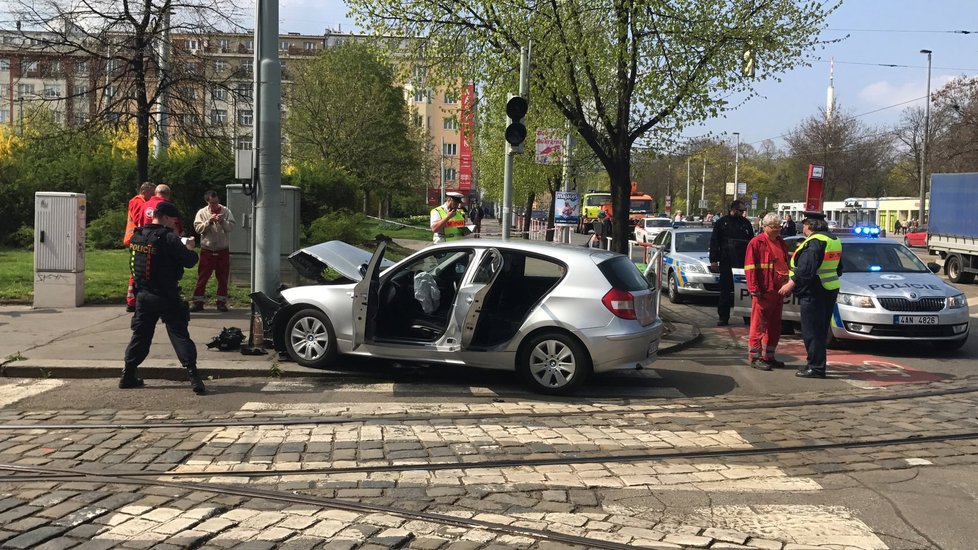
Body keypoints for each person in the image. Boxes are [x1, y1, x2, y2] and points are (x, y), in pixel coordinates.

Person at [122, 201, 206, 394]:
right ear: (167, 218)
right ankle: (194, 377)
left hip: (143, 294)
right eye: (173, 221)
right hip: (167, 295)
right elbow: (190, 261)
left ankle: (128, 374)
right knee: (179, 334)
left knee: (141, 336)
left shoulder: (138, 235)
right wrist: (190, 247)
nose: (174, 224)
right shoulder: (168, 238)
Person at [778, 211, 842, 379]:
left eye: (804, 225)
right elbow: (839, 268)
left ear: (810, 226)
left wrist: (790, 284)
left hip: (814, 291)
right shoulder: (833, 240)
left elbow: (806, 270)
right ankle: (816, 364)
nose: (803, 228)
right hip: (830, 289)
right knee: (820, 331)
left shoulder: (815, 242)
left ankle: (816, 368)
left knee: (811, 331)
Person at [744, 213, 791, 370]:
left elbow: (785, 263)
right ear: (764, 227)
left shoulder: (780, 242)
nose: (777, 230)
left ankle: (769, 356)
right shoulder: (756, 243)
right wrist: (754, 288)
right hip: (764, 290)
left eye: (779, 227)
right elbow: (750, 267)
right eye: (774, 227)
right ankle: (755, 357)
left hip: (778, 291)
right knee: (758, 325)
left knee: (774, 325)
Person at [709, 200, 754, 326]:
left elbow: (751, 242)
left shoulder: (746, 224)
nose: (742, 213)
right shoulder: (721, 223)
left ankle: (747, 316)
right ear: (733, 209)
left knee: (744, 289)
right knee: (725, 290)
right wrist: (713, 260)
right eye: (740, 211)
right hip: (726, 260)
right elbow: (714, 242)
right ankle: (723, 316)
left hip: (743, 261)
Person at [191, 190, 236, 313]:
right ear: (207, 202)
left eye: (216, 202)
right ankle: (198, 302)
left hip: (222, 250)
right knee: (203, 277)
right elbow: (197, 228)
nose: (215, 205)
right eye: (212, 203)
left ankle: (221, 303)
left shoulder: (226, 211)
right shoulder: (202, 212)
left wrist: (222, 221)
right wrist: (209, 222)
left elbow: (231, 227)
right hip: (207, 250)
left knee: (223, 277)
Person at [124, 182, 155, 312]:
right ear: (144, 191)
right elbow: (139, 219)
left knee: (138, 270)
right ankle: (132, 302)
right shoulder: (137, 201)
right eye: (152, 193)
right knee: (137, 270)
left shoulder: (140, 201)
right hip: (136, 239)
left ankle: (133, 301)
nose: (153, 196)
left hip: (137, 239)